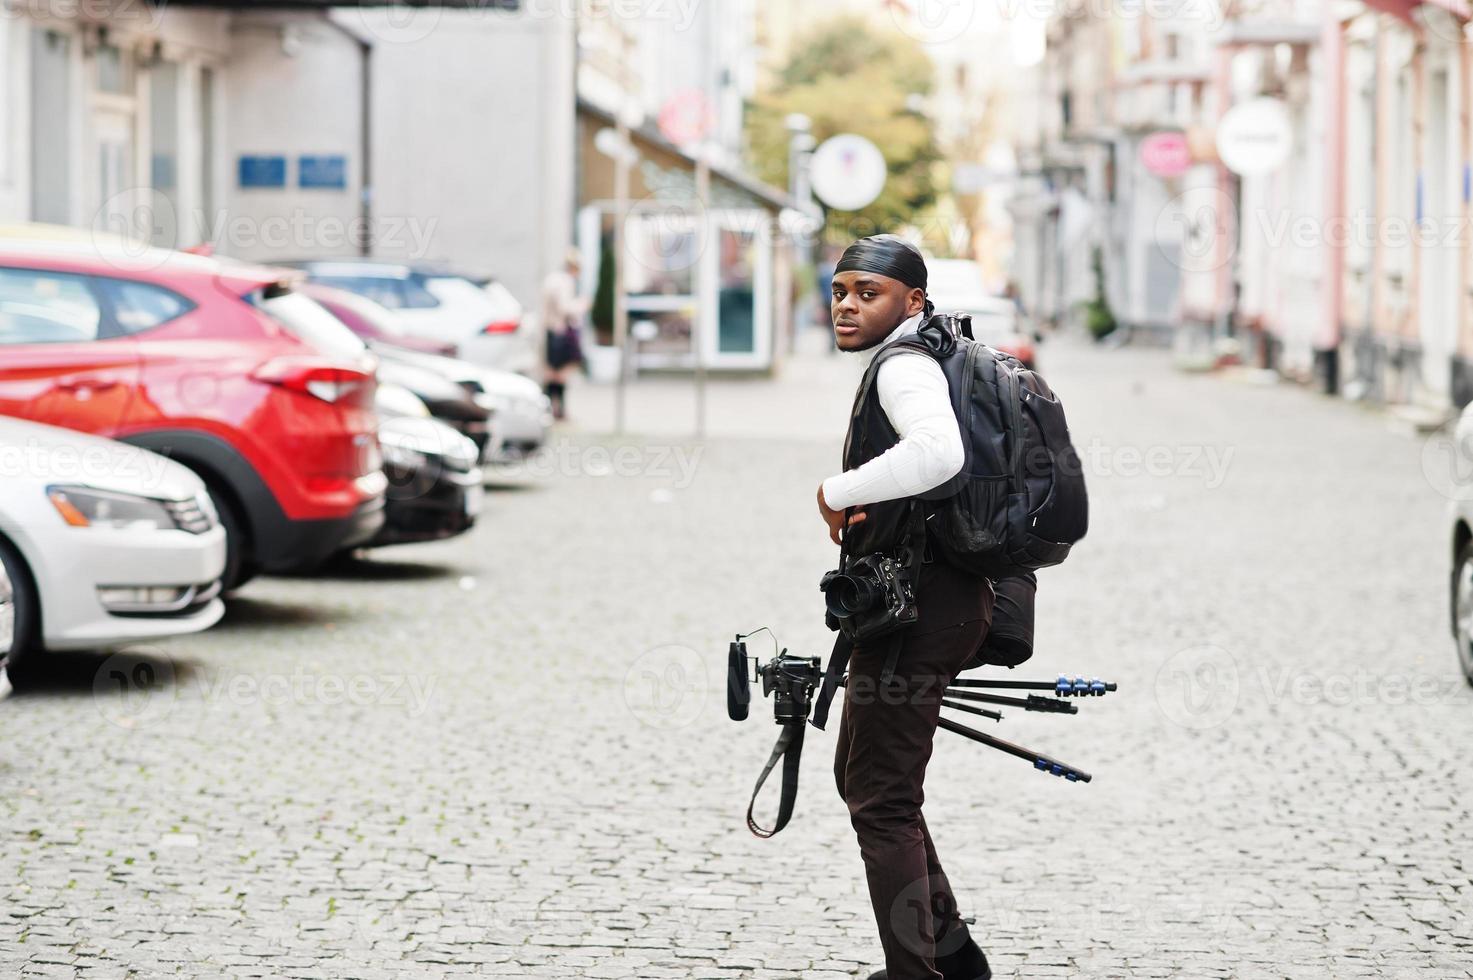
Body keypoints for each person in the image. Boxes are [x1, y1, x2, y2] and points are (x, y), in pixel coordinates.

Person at [817, 234, 995, 980]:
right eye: (840, 291)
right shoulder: (936, 350)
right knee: (867, 780)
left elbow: (938, 454)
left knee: (880, 798)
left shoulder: (904, 365)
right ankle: (953, 963)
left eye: (869, 293)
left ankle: (914, 974)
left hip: (920, 609)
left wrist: (836, 491)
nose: (848, 306)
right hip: (941, 601)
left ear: (911, 302)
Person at [540, 249, 586, 420]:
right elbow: (564, 307)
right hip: (560, 331)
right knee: (559, 373)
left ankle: (552, 408)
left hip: (552, 330)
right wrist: (581, 305)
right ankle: (556, 409)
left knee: (553, 372)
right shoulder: (564, 282)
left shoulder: (553, 279)